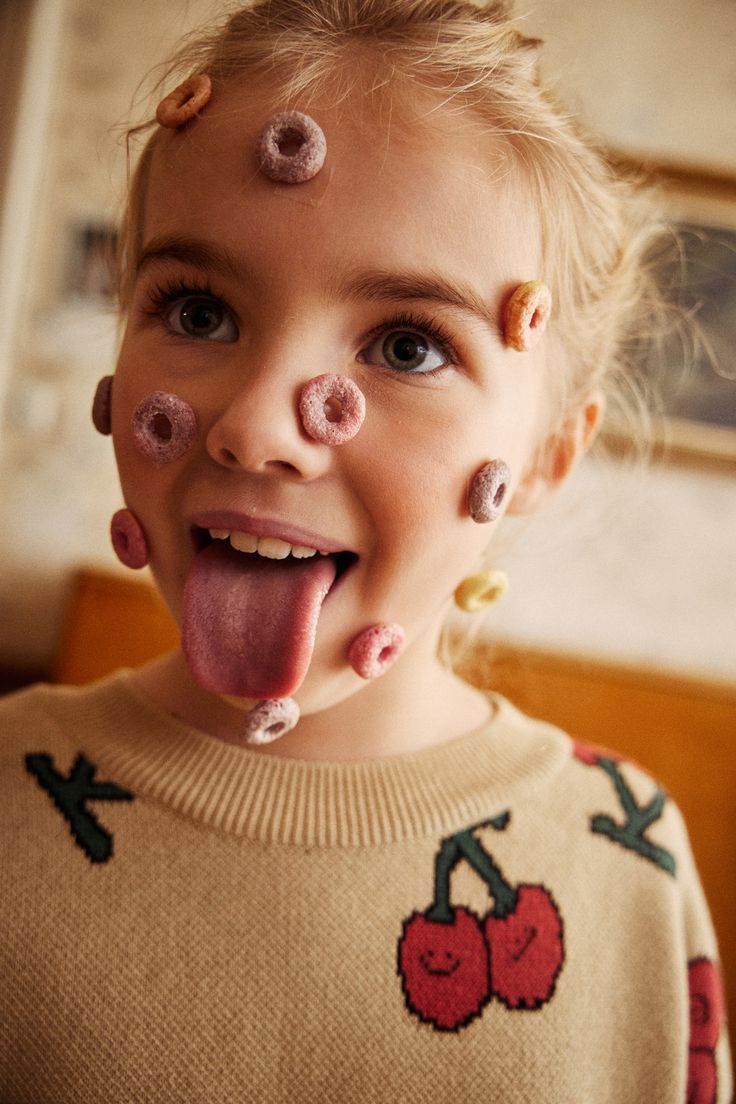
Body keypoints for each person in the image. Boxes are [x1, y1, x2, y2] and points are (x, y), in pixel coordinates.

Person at [1, 1, 731, 1099]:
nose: (253, 424)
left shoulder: (627, 864)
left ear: (543, 457)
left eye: (407, 345)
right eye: (197, 312)